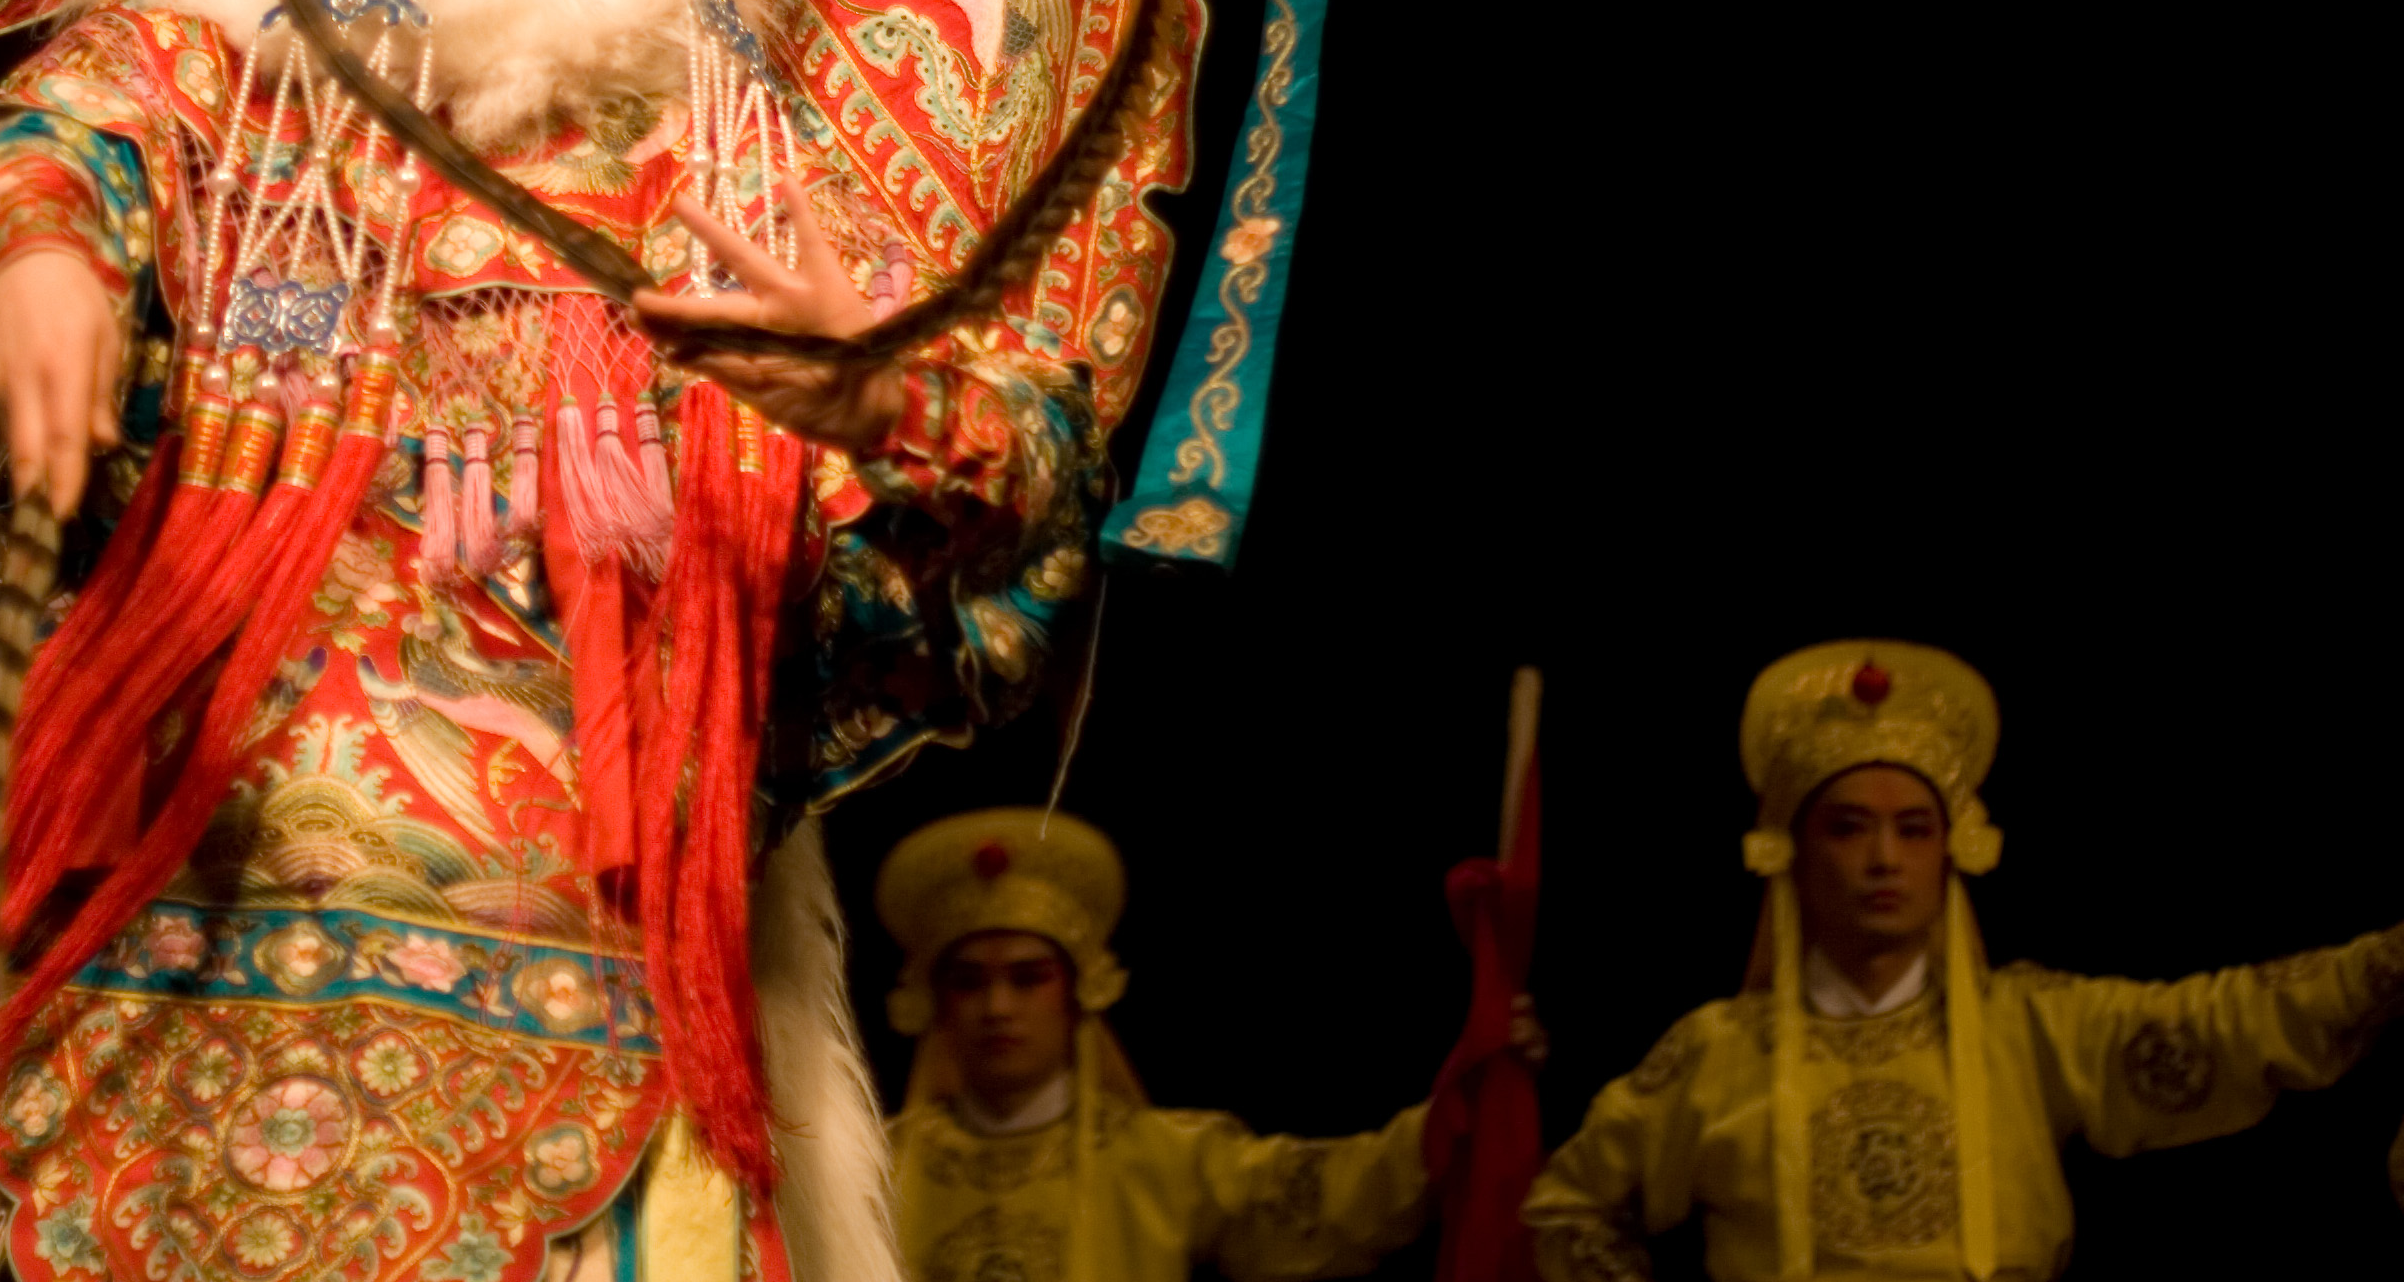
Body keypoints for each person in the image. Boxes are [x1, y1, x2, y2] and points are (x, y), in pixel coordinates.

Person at [1520, 640, 2404, 1279]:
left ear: (1952, 852)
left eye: (1913, 830)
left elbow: (2220, 1023)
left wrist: (2387, 963)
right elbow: (1567, 1206)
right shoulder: (1716, 1055)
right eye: (1848, 829)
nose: (1883, 861)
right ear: (1792, 852)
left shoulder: (2025, 1026)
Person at [878, 810, 1529, 1282]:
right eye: (969, 983)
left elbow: (1337, 1197)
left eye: (1028, 978)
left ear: (1080, 994)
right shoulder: (874, 1172)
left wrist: (1466, 1093)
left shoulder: (1162, 1158)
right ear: (936, 1004)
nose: (997, 1008)